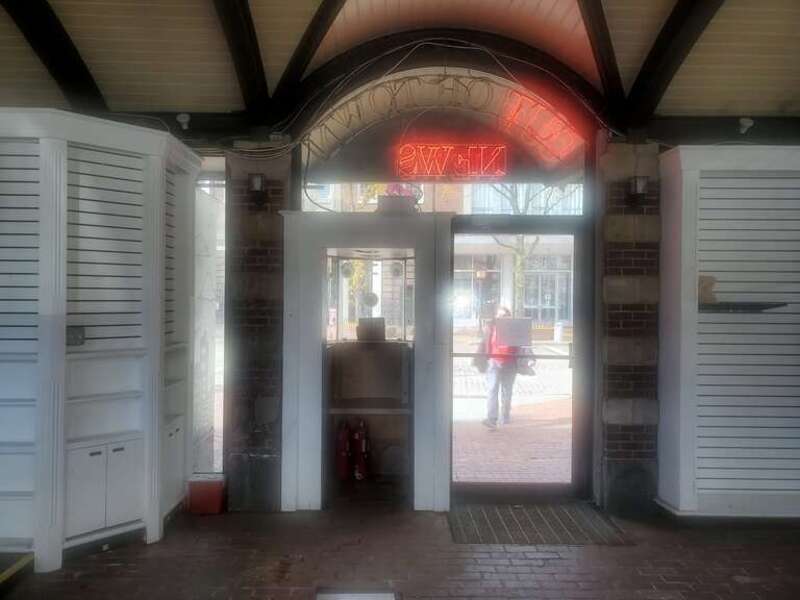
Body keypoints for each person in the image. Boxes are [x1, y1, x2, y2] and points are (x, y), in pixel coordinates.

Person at [479, 306, 518, 429]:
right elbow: (484, 343)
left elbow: (523, 343)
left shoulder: (514, 328)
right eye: (499, 316)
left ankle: (505, 415)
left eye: (504, 316)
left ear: (509, 317)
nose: (502, 318)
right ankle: (492, 419)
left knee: (507, 391)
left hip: (509, 363)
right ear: (496, 317)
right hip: (494, 361)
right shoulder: (490, 327)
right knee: (492, 390)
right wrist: (482, 359)